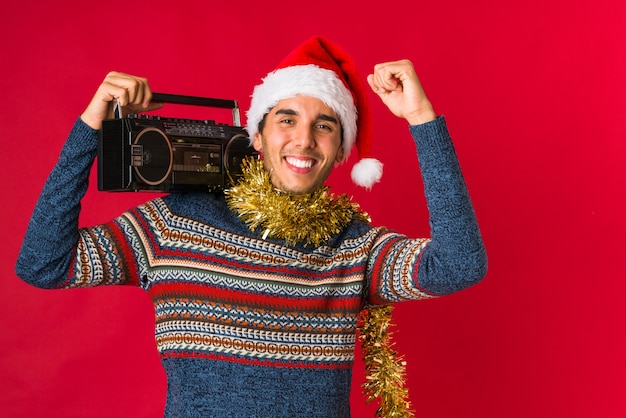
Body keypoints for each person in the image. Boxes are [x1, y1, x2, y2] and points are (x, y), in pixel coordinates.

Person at [15, 36, 487, 417]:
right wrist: (90, 127)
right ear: (256, 135)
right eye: (287, 119)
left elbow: (460, 264)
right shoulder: (175, 222)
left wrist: (422, 120)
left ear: (340, 149)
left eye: (325, 125)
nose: (304, 139)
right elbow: (44, 264)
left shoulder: (355, 247)